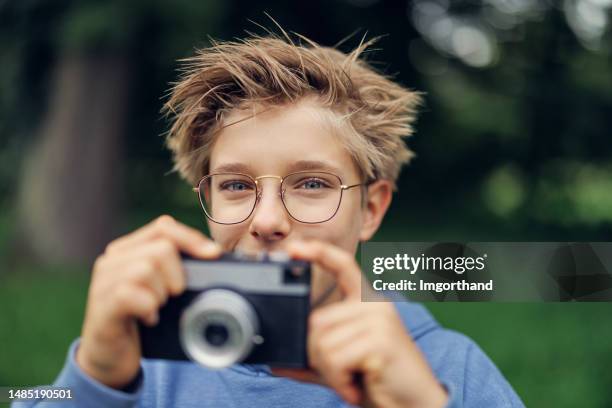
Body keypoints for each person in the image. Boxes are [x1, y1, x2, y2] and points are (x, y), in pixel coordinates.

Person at [15, 32, 524, 407]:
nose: (268, 220)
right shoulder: (141, 358)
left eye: (311, 184)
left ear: (370, 208)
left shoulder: (446, 370)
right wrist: (93, 376)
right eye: (236, 186)